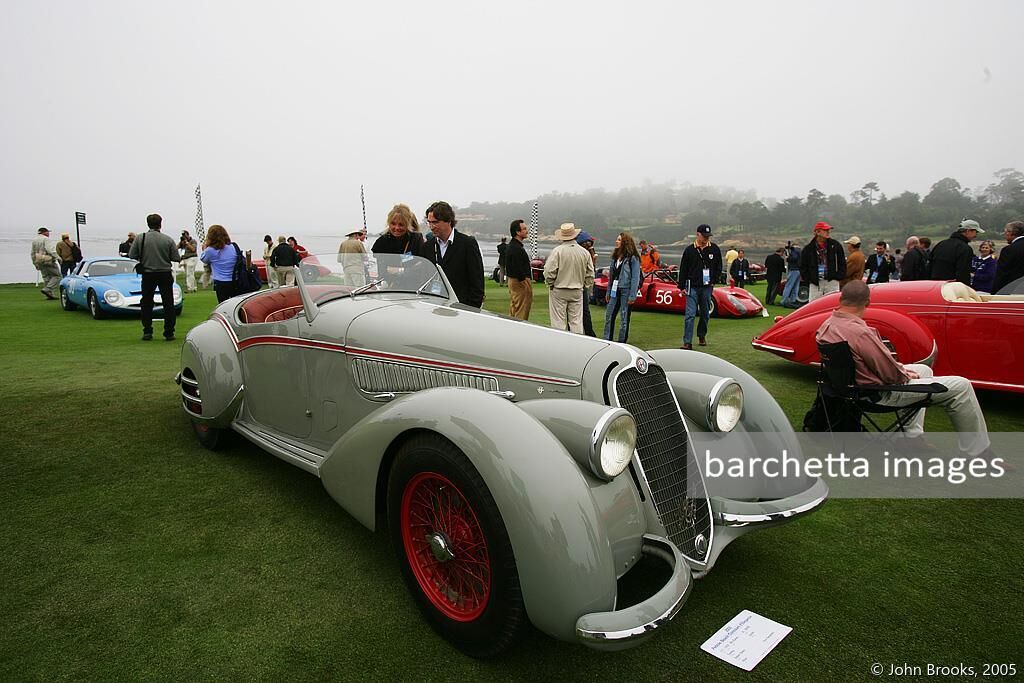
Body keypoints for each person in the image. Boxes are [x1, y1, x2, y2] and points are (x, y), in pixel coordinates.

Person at [816, 281, 989, 456]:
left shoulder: (827, 325)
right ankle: (978, 452)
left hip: (849, 389)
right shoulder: (860, 333)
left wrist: (907, 372)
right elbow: (891, 375)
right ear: (867, 302)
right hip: (876, 393)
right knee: (962, 386)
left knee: (923, 369)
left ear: (842, 298)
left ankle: (911, 438)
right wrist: (906, 375)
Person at [423, 201, 485, 308]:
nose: (431, 227)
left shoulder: (467, 244)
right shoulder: (427, 246)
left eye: (435, 222)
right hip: (434, 308)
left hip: (462, 309)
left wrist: (471, 309)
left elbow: (477, 282)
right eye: (429, 222)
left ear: (448, 221)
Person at [129, 213, 180, 341]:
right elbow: (176, 257)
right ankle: (169, 332)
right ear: (160, 224)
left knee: (146, 302)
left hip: (148, 273)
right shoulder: (168, 239)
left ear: (148, 224)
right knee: (168, 302)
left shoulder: (141, 238)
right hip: (164, 273)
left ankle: (147, 330)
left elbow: (132, 255)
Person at [544, 223, 595, 333]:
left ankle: (560, 345)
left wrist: (550, 283)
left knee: (558, 322)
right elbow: (590, 273)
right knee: (576, 321)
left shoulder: (557, 251)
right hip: (577, 290)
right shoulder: (584, 253)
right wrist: (584, 285)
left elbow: (549, 271)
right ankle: (576, 345)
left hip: (559, 289)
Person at [678, 224, 722, 349]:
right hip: (692, 286)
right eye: (704, 236)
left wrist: (714, 280)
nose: (707, 238)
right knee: (690, 314)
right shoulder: (689, 250)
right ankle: (687, 342)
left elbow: (719, 266)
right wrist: (681, 286)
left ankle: (701, 334)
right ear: (698, 234)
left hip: (707, 287)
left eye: (708, 236)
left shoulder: (714, 249)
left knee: (705, 313)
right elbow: (683, 269)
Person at [603, 232, 641, 342]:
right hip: (614, 289)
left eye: (619, 240)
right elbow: (611, 276)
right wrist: (608, 291)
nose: (616, 241)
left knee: (624, 318)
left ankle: (622, 341)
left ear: (625, 242)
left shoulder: (633, 258)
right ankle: (607, 340)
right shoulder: (615, 257)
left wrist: (632, 296)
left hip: (626, 289)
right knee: (609, 315)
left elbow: (635, 277)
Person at [799, 221, 846, 301]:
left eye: (828, 230)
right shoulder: (808, 248)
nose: (828, 232)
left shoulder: (835, 245)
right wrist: (809, 279)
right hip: (816, 283)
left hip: (832, 281)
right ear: (817, 232)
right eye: (825, 230)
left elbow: (842, 262)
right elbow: (803, 266)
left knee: (832, 304)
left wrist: (838, 277)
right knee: (813, 305)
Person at [930, 219, 982, 285]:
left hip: (935, 285)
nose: (976, 235)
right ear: (968, 231)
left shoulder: (941, 244)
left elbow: (930, 265)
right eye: (976, 232)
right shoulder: (965, 248)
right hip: (952, 287)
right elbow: (963, 272)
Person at [200, 224, 240, 303]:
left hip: (221, 282)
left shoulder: (211, 251)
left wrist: (205, 248)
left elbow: (204, 259)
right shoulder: (233, 247)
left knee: (223, 305)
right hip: (235, 280)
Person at [506, 219, 533, 320]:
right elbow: (517, 267)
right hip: (519, 282)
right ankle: (519, 331)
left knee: (515, 309)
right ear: (517, 232)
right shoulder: (515, 248)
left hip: (515, 281)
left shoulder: (514, 246)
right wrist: (524, 283)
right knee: (521, 310)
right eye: (524, 229)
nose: (527, 231)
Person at [577, 231, 598, 336]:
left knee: (581, 312)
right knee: (584, 312)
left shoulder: (584, 254)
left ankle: (587, 333)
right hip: (581, 286)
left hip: (578, 286)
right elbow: (591, 272)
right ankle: (589, 333)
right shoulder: (587, 255)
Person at [993, 221, 1024, 292]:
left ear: (1010, 232)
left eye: (1005, 232)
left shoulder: (1009, 250)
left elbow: (1002, 275)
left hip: (1013, 291)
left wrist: (995, 293)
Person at [30, 227, 61, 300]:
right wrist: (58, 257)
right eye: (48, 232)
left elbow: (32, 253)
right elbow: (50, 250)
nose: (49, 233)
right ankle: (48, 289)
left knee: (46, 277)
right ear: (44, 232)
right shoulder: (46, 239)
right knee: (57, 276)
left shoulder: (34, 240)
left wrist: (34, 263)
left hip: (38, 259)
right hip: (47, 259)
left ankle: (49, 294)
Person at [780, 241, 802, 308]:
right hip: (799, 270)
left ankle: (784, 301)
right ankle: (793, 300)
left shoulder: (794, 251)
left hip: (793, 269)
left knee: (788, 286)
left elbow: (793, 258)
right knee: (796, 286)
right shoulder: (801, 251)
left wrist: (788, 258)